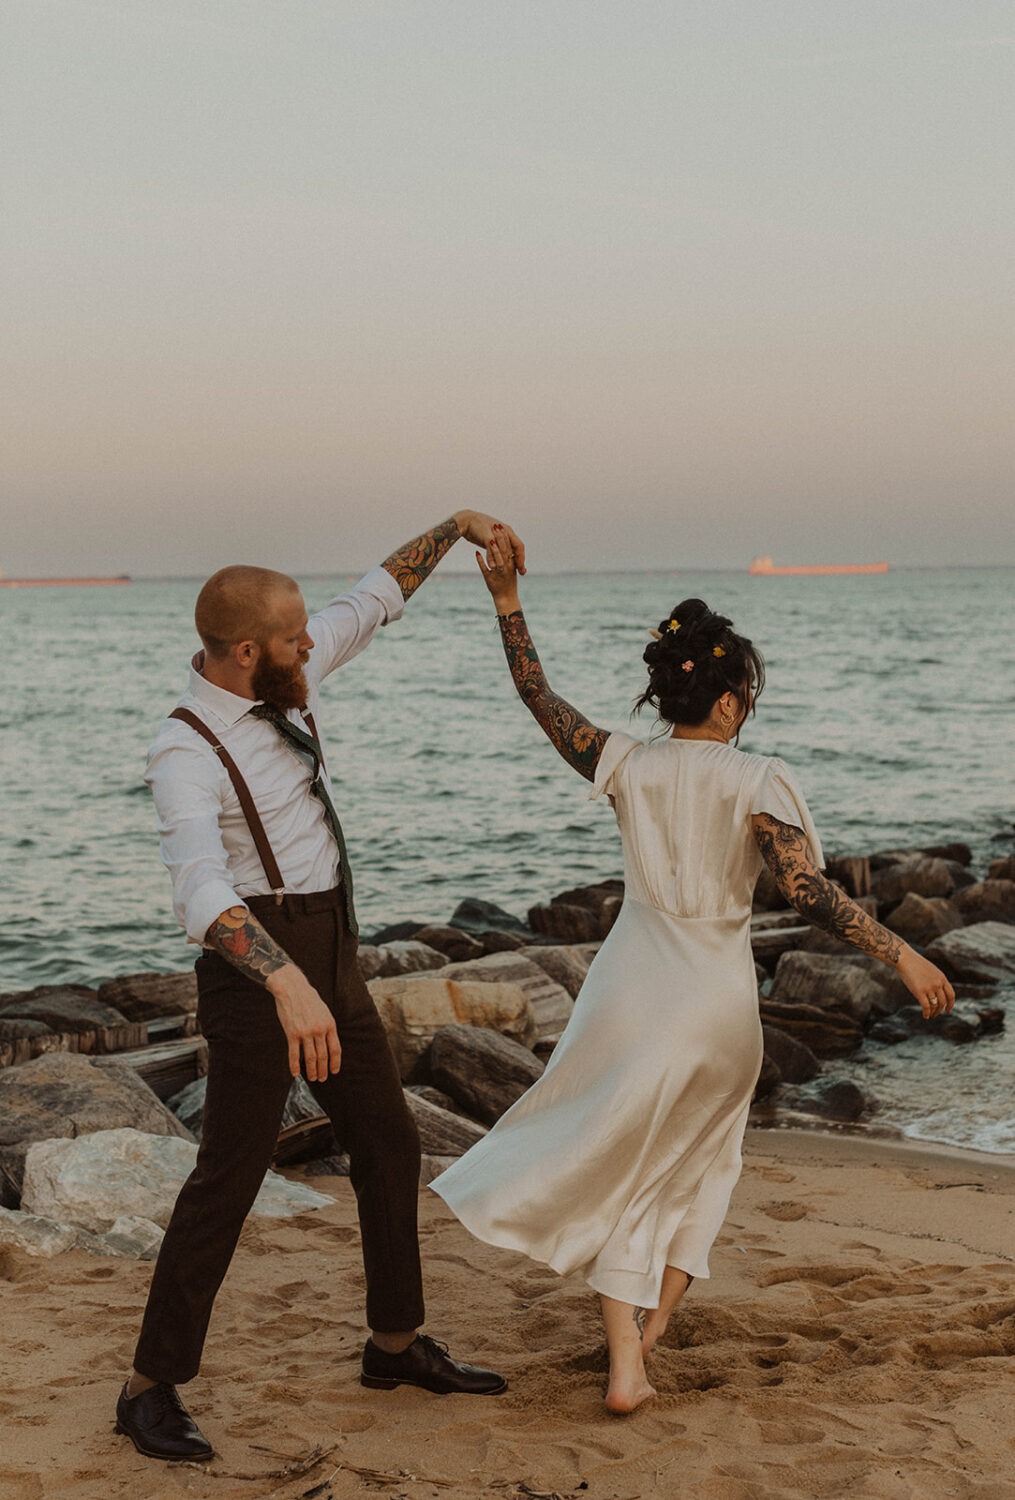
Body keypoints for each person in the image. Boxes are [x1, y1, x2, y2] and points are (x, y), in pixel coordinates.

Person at [431, 540, 956, 1416]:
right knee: (700, 1166)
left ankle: (627, 1354)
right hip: (713, 1003)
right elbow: (802, 887)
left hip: (629, 991)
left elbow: (536, 695)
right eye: (743, 695)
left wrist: (507, 599)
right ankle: (644, 1343)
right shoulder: (755, 778)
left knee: (631, 1164)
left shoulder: (625, 764)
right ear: (725, 699)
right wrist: (899, 952)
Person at [115, 511, 524, 1463]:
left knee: (386, 1142)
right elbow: (200, 889)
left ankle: (393, 1345)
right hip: (256, 970)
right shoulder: (184, 751)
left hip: (331, 946)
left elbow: (373, 597)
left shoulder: (287, 676)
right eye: (296, 635)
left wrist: (457, 528)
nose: (315, 642)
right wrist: (286, 986)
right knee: (229, 1174)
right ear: (244, 650)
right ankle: (148, 1387)